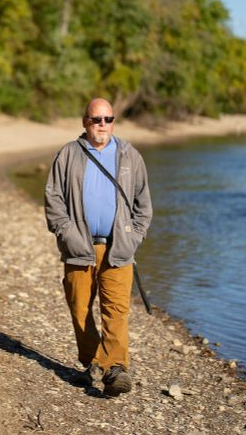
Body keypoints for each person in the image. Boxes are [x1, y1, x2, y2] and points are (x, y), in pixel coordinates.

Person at [44, 98, 152, 396]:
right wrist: (66, 233)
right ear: (85, 122)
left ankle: (115, 368)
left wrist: (134, 236)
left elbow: (144, 204)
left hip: (118, 248)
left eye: (107, 119)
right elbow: (53, 199)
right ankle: (93, 361)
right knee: (79, 308)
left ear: (113, 121)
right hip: (79, 247)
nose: (102, 125)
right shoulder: (68, 154)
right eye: (96, 119)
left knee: (116, 310)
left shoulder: (130, 156)